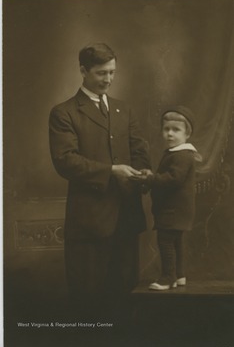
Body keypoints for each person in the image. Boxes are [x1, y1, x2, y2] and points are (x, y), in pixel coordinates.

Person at [49, 43, 151, 317]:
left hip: (127, 218)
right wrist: (112, 171)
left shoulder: (123, 110)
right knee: (90, 302)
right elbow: (65, 161)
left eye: (112, 72)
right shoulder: (65, 112)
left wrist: (142, 171)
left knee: (126, 298)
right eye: (101, 73)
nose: (108, 79)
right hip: (89, 224)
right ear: (83, 71)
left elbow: (139, 150)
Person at [131, 106, 201, 290]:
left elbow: (173, 179)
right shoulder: (176, 153)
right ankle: (179, 275)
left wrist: (151, 178)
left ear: (187, 134)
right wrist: (151, 176)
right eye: (166, 129)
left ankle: (167, 277)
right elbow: (168, 176)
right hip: (175, 209)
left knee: (166, 241)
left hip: (174, 210)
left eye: (176, 130)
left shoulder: (183, 155)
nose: (170, 134)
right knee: (176, 241)